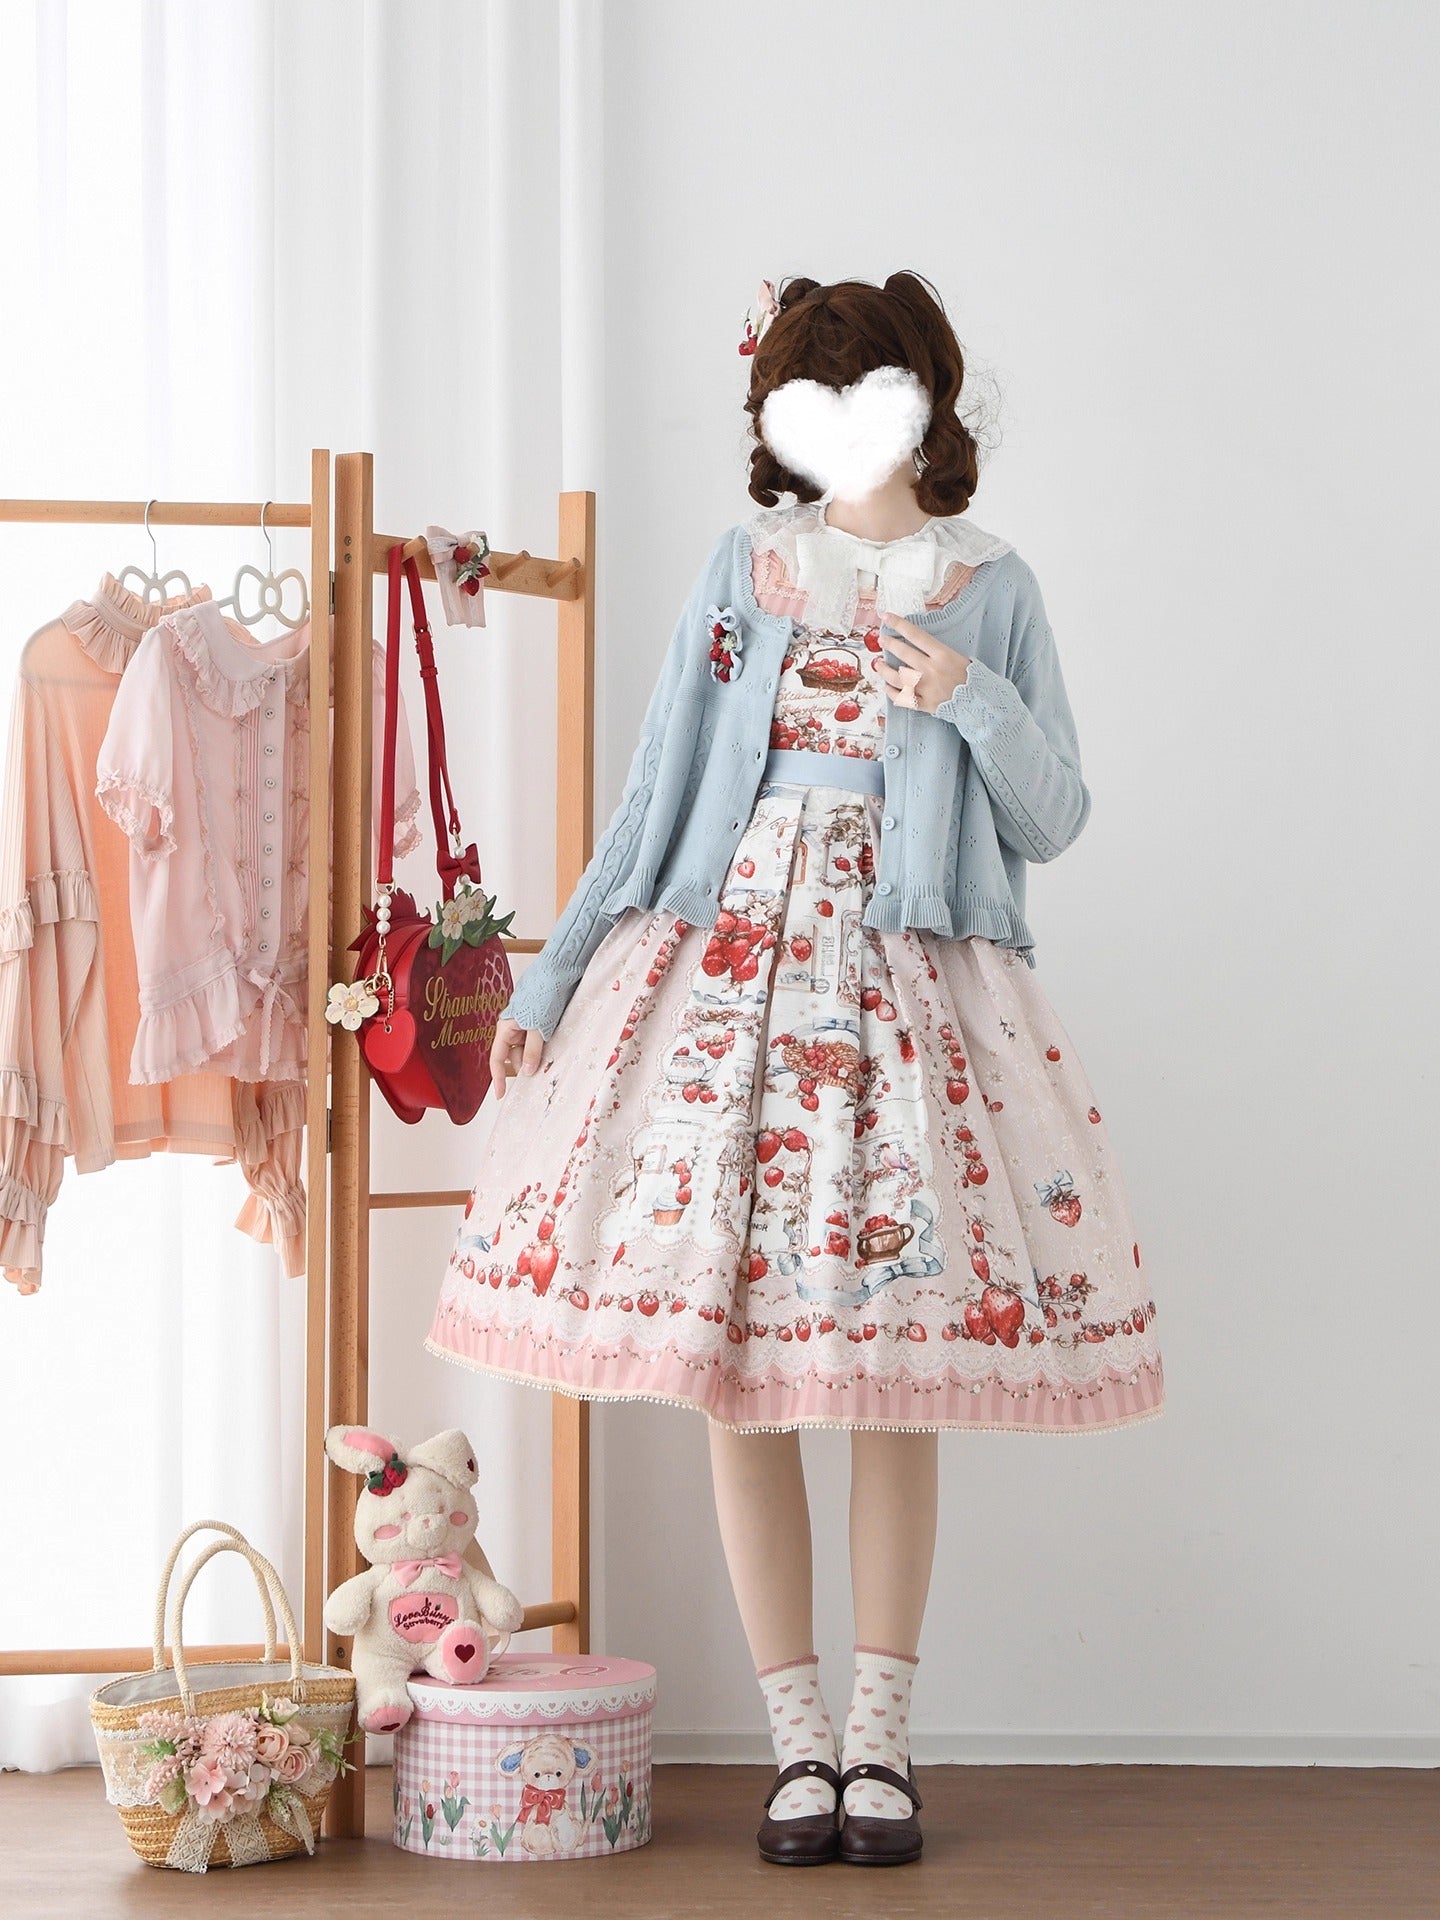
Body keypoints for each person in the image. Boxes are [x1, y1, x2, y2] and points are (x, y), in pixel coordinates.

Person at [426, 271, 1164, 1867]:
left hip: (911, 982)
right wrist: (555, 969)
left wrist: (964, 696)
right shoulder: (742, 570)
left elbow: (1054, 817)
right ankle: (798, 1749)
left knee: (893, 1375)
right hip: (731, 983)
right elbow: (656, 793)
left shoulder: (992, 585)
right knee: (738, 1376)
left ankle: (882, 1744)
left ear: (923, 405)